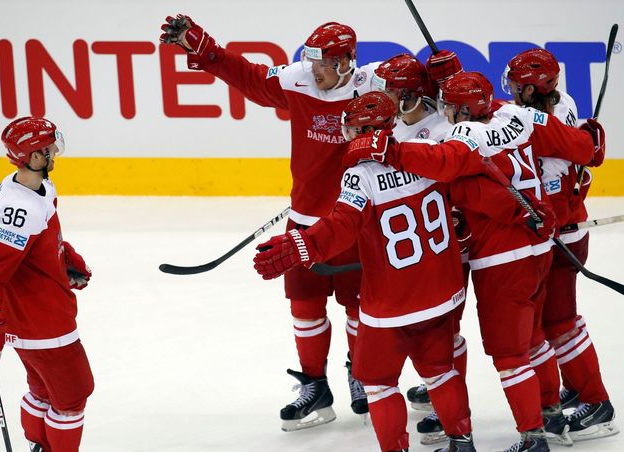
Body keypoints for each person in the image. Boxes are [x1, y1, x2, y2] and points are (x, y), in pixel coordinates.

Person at [343, 71, 602, 452]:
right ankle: (551, 416)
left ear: (465, 109)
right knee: (532, 340)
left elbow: (447, 166)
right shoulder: (517, 115)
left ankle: (534, 438)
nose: (443, 110)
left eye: (450, 104)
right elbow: (584, 148)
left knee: (510, 354)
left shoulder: (464, 136)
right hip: (539, 247)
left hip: (502, 257)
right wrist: (592, 141)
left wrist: (391, 151)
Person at [160, 15, 380, 429]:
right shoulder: (298, 79)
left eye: (323, 63)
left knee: (359, 307)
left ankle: (362, 375)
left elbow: (425, 101)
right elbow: (250, 78)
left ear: (347, 63)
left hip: (355, 222)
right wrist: (206, 50)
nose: (314, 69)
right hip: (304, 220)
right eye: (311, 61)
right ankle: (316, 386)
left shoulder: (374, 88)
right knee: (304, 307)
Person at [254, 91, 476, 452]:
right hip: (442, 294)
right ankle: (462, 444)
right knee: (440, 372)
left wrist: (300, 245)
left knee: (378, 384)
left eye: (351, 128)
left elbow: (341, 227)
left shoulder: (360, 176)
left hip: (391, 304)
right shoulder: (427, 154)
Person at [504, 48, 618, 442]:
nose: (510, 90)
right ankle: (577, 383)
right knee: (557, 322)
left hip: (561, 235)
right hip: (568, 229)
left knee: (560, 322)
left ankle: (597, 402)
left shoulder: (542, 129)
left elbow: (548, 194)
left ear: (534, 89)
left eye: (517, 85)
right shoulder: (562, 102)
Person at [0, 116, 94, 452]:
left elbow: (33, 243)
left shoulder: (28, 186)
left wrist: (61, 256)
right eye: (49, 147)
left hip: (30, 319)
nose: (55, 151)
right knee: (72, 396)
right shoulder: (20, 207)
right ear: (34, 156)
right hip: (44, 322)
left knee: (41, 388)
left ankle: (38, 445)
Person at [371, 52, 469, 445]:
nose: (385, 98)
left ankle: (451, 415)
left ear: (410, 95)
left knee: (449, 334)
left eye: (392, 91)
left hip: (454, 250)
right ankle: (442, 400)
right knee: (442, 337)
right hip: (425, 253)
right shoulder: (395, 130)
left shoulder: (444, 130)